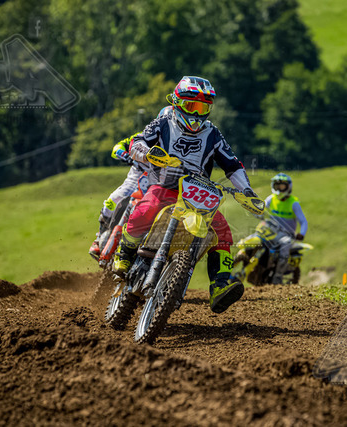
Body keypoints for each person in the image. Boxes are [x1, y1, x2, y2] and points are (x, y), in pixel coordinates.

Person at [113, 76, 258, 313]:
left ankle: (220, 285)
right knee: (145, 209)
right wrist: (147, 153)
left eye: (204, 108)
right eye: (192, 106)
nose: (197, 114)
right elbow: (137, 141)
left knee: (221, 231)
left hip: (196, 194)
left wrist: (247, 191)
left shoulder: (212, 133)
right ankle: (125, 254)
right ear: (178, 103)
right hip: (165, 187)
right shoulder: (163, 122)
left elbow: (232, 165)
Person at [89, 106, 174, 257]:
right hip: (137, 176)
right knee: (113, 200)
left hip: (160, 184)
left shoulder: (178, 146)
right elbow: (118, 147)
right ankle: (98, 239)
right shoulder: (143, 136)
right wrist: (124, 155)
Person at [260, 173, 308, 284]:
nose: (279, 189)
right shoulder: (271, 199)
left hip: (286, 236)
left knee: (285, 247)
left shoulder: (294, 203)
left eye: (282, 186)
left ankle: (277, 277)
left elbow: (303, 221)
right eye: (277, 186)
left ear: (288, 187)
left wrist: (302, 233)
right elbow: (261, 209)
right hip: (270, 232)